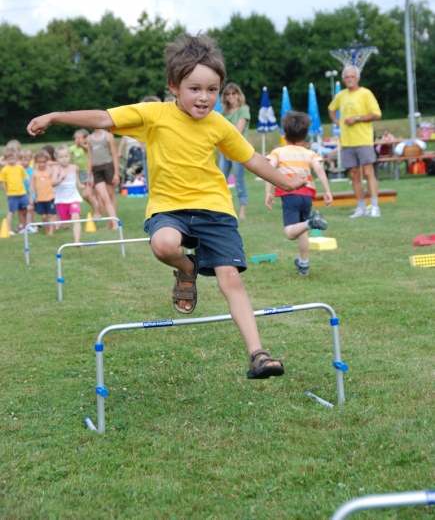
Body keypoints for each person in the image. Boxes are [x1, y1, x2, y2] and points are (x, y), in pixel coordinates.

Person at [27, 32, 309, 380]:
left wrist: (285, 182)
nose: (204, 98)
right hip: (169, 207)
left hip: (214, 209)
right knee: (163, 245)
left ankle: (257, 354)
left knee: (230, 278)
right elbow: (102, 118)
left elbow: (250, 158)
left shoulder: (219, 124)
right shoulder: (152, 115)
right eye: (195, 88)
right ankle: (187, 270)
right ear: (174, 86)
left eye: (212, 90)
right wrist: (55, 116)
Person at [266, 112, 333, 276]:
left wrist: (268, 191)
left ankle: (312, 222)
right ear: (305, 135)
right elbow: (319, 169)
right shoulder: (310, 153)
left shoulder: (279, 152)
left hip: (290, 193)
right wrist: (327, 191)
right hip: (307, 195)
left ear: (285, 133)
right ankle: (304, 264)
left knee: (290, 232)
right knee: (301, 229)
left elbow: (268, 169)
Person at [328, 65, 382, 218]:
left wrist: (357, 119)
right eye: (347, 77)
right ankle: (361, 207)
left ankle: (375, 206)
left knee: (368, 172)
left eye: (352, 76)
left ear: (358, 78)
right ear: (344, 79)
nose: (350, 79)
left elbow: (377, 114)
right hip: (347, 141)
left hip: (363, 139)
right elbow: (331, 109)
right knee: (354, 174)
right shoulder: (341, 95)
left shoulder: (366, 93)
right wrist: (337, 122)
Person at [219, 83, 250, 219]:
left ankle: (242, 212)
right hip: (224, 151)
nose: (231, 96)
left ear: (238, 95)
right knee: (220, 180)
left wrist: (223, 132)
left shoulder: (243, 109)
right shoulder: (223, 112)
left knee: (239, 181)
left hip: (238, 151)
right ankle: (222, 210)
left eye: (233, 93)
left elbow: (238, 131)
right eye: (228, 94)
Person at [51, 145, 85, 244]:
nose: (64, 159)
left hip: (73, 198)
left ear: (69, 156)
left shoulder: (74, 168)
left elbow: (77, 180)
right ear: (57, 159)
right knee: (65, 225)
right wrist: (61, 178)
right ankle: (64, 224)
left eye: (66, 156)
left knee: (76, 217)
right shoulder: (56, 169)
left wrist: (80, 185)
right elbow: (52, 183)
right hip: (61, 200)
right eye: (61, 157)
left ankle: (77, 241)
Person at [87, 128, 119, 229]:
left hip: (108, 167)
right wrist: (89, 175)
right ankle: (115, 224)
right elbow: (90, 158)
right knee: (103, 196)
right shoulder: (89, 138)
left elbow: (114, 155)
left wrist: (116, 173)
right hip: (96, 169)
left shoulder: (109, 136)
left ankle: (111, 222)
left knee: (110, 196)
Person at [69, 129, 101, 217]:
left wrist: (83, 145)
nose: (77, 140)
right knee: (93, 194)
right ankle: (98, 210)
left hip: (90, 172)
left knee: (87, 194)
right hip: (82, 174)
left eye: (79, 138)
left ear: (85, 139)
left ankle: (96, 212)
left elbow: (90, 151)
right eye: (76, 138)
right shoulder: (73, 148)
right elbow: (66, 153)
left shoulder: (88, 146)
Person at [0, 147, 29, 234]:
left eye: (13, 158)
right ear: (6, 159)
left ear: (16, 158)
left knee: (24, 210)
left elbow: (25, 178)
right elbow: (3, 182)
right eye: (10, 159)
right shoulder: (5, 170)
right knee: (11, 211)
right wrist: (7, 192)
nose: (12, 160)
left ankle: (23, 227)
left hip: (22, 193)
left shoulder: (20, 168)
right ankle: (8, 229)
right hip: (12, 194)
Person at [28, 150, 56, 235]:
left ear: (47, 161)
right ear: (36, 162)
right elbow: (32, 186)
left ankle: (51, 232)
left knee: (50, 215)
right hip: (40, 199)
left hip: (50, 197)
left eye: (44, 162)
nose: (42, 164)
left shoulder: (50, 171)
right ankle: (46, 230)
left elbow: (54, 182)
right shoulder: (34, 173)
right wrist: (31, 198)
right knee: (44, 217)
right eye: (39, 162)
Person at [20, 148, 37, 230]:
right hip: (22, 193)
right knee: (24, 210)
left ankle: (32, 224)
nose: (26, 162)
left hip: (31, 193)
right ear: (20, 160)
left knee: (31, 209)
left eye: (28, 160)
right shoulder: (19, 170)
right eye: (24, 160)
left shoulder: (33, 171)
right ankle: (25, 224)